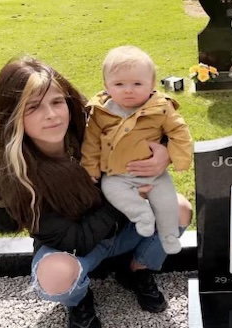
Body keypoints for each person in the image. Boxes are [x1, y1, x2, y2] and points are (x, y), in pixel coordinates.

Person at [0, 57, 192, 328]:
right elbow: (75, 240)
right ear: (12, 116)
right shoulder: (12, 174)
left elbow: (154, 115)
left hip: (123, 229)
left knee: (178, 208)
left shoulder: (92, 123)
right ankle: (78, 300)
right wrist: (120, 200)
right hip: (73, 248)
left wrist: (165, 152)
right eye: (33, 107)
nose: (51, 114)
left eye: (57, 102)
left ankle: (137, 271)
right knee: (56, 275)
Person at [81, 45, 192, 255]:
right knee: (113, 192)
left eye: (137, 83)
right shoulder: (100, 112)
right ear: (106, 86)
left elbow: (179, 131)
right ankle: (141, 214)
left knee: (167, 203)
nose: (128, 90)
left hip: (154, 174)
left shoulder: (160, 107)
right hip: (117, 175)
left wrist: (179, 158)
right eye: (119, 84)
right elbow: (91, 142)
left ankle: (168, 234)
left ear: (151, 84)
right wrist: (90, 169)